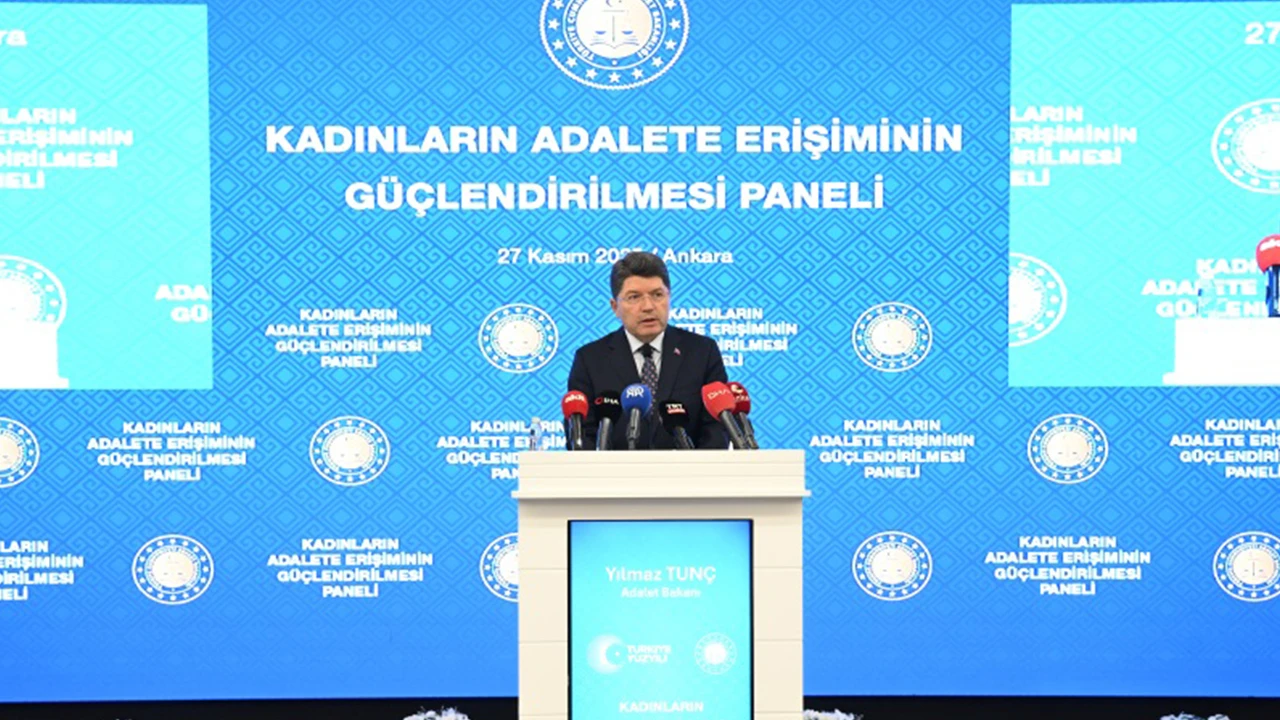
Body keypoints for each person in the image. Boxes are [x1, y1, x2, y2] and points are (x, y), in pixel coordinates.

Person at [567, 252, 729, 449]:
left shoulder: (702, 352)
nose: (648, 306)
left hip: (689, 468)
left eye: (657, 295)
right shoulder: (590, 359)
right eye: (634, 297)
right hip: (615, 469)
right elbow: (581, 435)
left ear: (669, 298)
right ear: (615, 307)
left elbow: (716, 430)